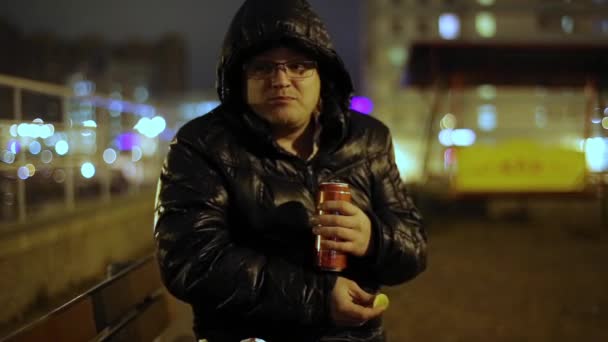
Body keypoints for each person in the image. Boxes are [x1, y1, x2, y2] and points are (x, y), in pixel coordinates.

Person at [153, 0, 427, 341]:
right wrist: (319, 297)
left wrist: (373, 238)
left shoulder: (369, 140)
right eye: (263, 68)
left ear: (323, 75)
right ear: (239, 77)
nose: (281, 80)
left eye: (298, 66)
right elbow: (192, 260)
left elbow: (414, 246)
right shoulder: (202, 146)